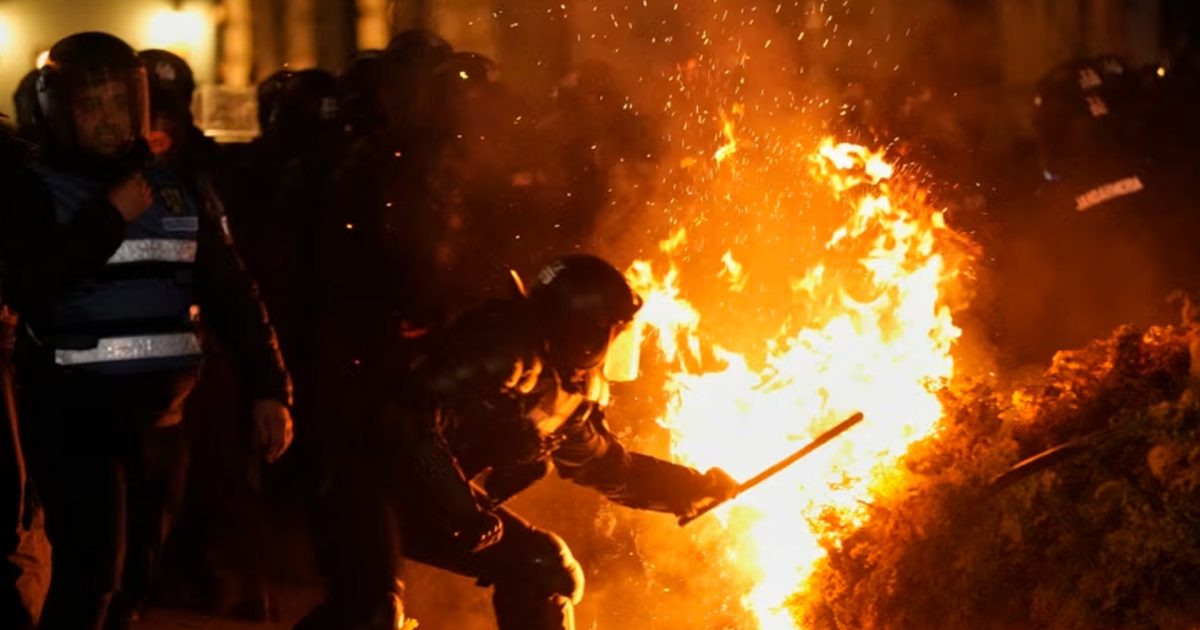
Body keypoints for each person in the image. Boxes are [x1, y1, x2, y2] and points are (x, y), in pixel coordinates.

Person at [8, 32, 292, 629]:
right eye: (92, 105)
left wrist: (269, 388)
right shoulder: (33, 190)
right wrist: (108, 217)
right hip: (73, 419)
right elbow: (28, 284)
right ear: (59, 111)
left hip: (162, 423)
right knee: (91, 579)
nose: (110, 120)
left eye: (120, 102)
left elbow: (232, 292)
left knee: (136, 581)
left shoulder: (176, 188)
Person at [303, 254, 739, 630]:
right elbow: (408, 421)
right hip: (357, 478)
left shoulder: (565, 389)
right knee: (374, 613)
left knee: (545, 570)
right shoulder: (498, 350)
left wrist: (689, 489)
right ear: (584, 329)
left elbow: (611, 468)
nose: (615, 346)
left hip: (424, 496)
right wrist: (461, 507)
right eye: (613, 332)